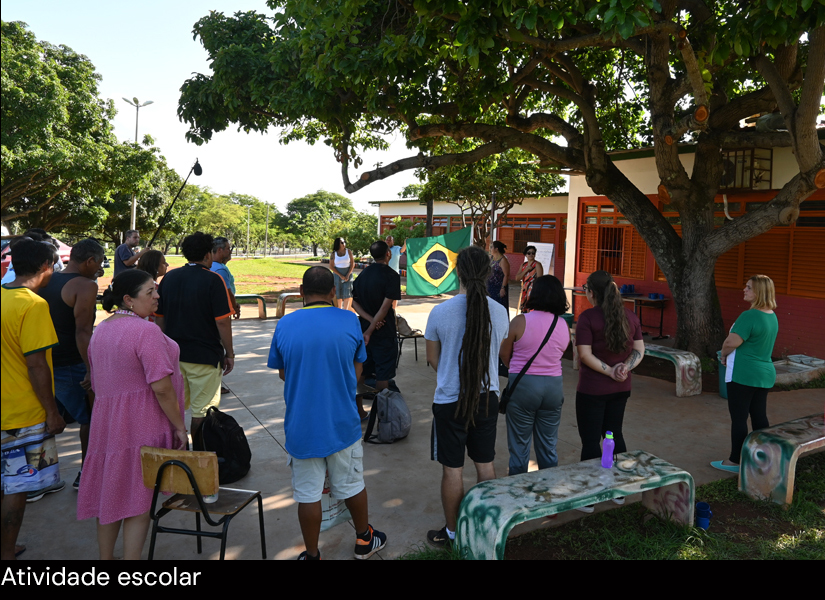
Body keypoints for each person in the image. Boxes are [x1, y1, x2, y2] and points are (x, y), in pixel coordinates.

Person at [267, 266, 387, 560]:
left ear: (301, 292)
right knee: (353, 484)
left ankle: (312, 554)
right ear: (334, 292)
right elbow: (357, 369)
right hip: (342, 424)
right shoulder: (349, 321)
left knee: (307, 494)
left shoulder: (285, 324)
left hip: (301, 427)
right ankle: (364, 540)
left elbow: (283, 373)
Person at [77, 269, 187, 560]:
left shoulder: (102, 329)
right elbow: (162, 388)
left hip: (108, 424)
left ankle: (106, 559)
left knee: (111, 494)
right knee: (139, 499)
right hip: (140, 423)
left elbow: (99, 381)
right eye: (150, 292)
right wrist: (179, 426)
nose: (157, 296)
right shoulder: (145, 331)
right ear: (128, 299)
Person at [424, 245, 510, 548]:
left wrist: (451, 372)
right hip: (487, 398)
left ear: (458, 272)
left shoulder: (439, 312)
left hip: (450, 400)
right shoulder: (500, 312)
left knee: (453, 469)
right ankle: (488, 529)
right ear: (488, 273)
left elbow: (432, 358)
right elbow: (499, 353)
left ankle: (452, 534)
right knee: (485, 465)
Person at [1, 238, 66, 560]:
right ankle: (6, 551)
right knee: (18, 486)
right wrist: (52, 412)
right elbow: (37, 364)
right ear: (45, 266)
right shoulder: (33, 305)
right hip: (22, 413)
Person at [37, 238, 105, 492]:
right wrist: (91, 368)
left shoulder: (47, 279)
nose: (100, 268)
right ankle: (87, 474)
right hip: (72, 363)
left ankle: (37, 477)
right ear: (89, 260)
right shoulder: (85, 285)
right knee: (90, 419)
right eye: (98, 262)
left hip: (44, 361)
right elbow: (83, 332)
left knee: (45, 419)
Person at [575, 270, 644, 512]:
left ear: (592, 292)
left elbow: (585, 355)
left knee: (590, 441)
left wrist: (609, 371)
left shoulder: (587, 318)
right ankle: (619, 491)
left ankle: (590, 498)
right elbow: (639, 350)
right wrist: (623, 368)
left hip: (592, 390)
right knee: (614, 435)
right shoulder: (630, 316)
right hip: (620, 389)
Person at [154, 232, 234, 441]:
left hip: (174, 356)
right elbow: (222, 321)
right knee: (202, 412)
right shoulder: (214, 279)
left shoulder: (169, 278)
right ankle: (199, 452)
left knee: (175, 407)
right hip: (204, 357)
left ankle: (176, 450)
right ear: (208, 254)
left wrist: (163, 349)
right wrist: (230, 353)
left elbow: (159, 319)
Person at [500, 275, 570, 475]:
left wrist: (516, 368)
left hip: (523, 387)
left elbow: (504, 354)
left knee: (519, 446)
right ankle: (549, 487)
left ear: (534, 294)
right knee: (548, 446)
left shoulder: (520, 321)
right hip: (554, 388)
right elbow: (560, 352)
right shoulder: (563, 325)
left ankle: (518, 488)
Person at [713, 275, 779, 473]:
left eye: (749, 287)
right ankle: (764, 458)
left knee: (739, 418)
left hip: (743, 374)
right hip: (764, 374)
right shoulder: (772, 315)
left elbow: (730, 342)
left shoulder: (749, 316)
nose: (744, 289)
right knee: (759, 416)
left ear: (759, 292)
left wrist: (723, 355)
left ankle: (735, 461)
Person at [352, 240, 402, 416]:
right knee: (383, 374)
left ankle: (359, 411)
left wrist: (369, 322)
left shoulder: (362, 275)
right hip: (383, 332)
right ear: (388, 253)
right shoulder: (391, 276)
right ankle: (382, 415)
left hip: (363, 329)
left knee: (362, 370)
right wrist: (372, 327)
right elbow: (385, 307)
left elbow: (354, 304)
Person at [210, 237, 241, 319]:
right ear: (220, 250)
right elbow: (227, 292)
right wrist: (234, 308)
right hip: (221, 312)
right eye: (228, 249)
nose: (230, 251)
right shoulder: (220, 270)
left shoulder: (212, 265)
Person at [515, 245, 543, 313]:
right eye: (529, 253)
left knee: (531, 308)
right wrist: (525, 270)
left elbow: (540, 279)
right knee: (524, 308)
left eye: (533, 253)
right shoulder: (523, 265)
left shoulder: (537, 264)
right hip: (525, 288)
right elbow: (517, 278)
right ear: (525, 254)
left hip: (533, 289)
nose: (531, 255)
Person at [329, 237, 355, 311]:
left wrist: (348, 275)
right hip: (337, 275)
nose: (344, 244)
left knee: (347, 293)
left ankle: (345, 311)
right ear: (338, 244)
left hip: (347, 274)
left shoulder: (348, 251)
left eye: (344, 242)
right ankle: (339, 310)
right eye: (342, 242)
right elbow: (331, 266)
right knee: (338, 294)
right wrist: (340, 275)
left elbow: (352, 264)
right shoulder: (333, 254)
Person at [488, 240, 510, 311]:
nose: (490, 249)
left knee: (498, 307)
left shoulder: (503, 260)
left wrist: (503, 288)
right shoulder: (491, 258)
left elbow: (506, 275)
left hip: (499, 287)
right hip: (490, 286)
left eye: (492, 247)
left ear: (496, 249)